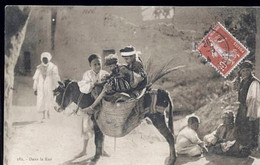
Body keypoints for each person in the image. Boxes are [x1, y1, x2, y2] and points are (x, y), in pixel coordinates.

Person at [76, 54, 109, 158]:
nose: (98, 66)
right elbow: (83, 88)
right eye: (95, 64)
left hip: (101, 104)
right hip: (89, 103)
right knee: (86, 126)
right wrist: (93, 84)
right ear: (90, 65)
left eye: (99, 64)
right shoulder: (87, 74)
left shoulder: (105, 74)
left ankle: (102, 149)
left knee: (101, 128)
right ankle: (84, 150)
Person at [233, 60, 260, 152]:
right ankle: (242, 145)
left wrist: (251, 112)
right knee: (240, 125)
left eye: (247, 70)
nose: (245, 73)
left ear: (251, 70)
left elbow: (255, 98)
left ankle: (250, 147)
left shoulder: (254, 82)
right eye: (243, 71)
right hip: (242, 107)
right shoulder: (242, 81)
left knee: (251, 126)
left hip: (251, 107)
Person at [33, 52, 60, 121]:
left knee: (49, 99)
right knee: (42, 100)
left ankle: (48, 113)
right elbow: (36, 79)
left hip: (49, 85)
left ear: (49, 59)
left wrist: (56, 87)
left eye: (46, 59)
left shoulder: (53, 67)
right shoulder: (39, 68)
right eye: (43, 59)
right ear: (41, 59)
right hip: (41, 86)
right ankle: (44, 115)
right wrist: (35, 88)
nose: (45, 60)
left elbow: (56, 78)